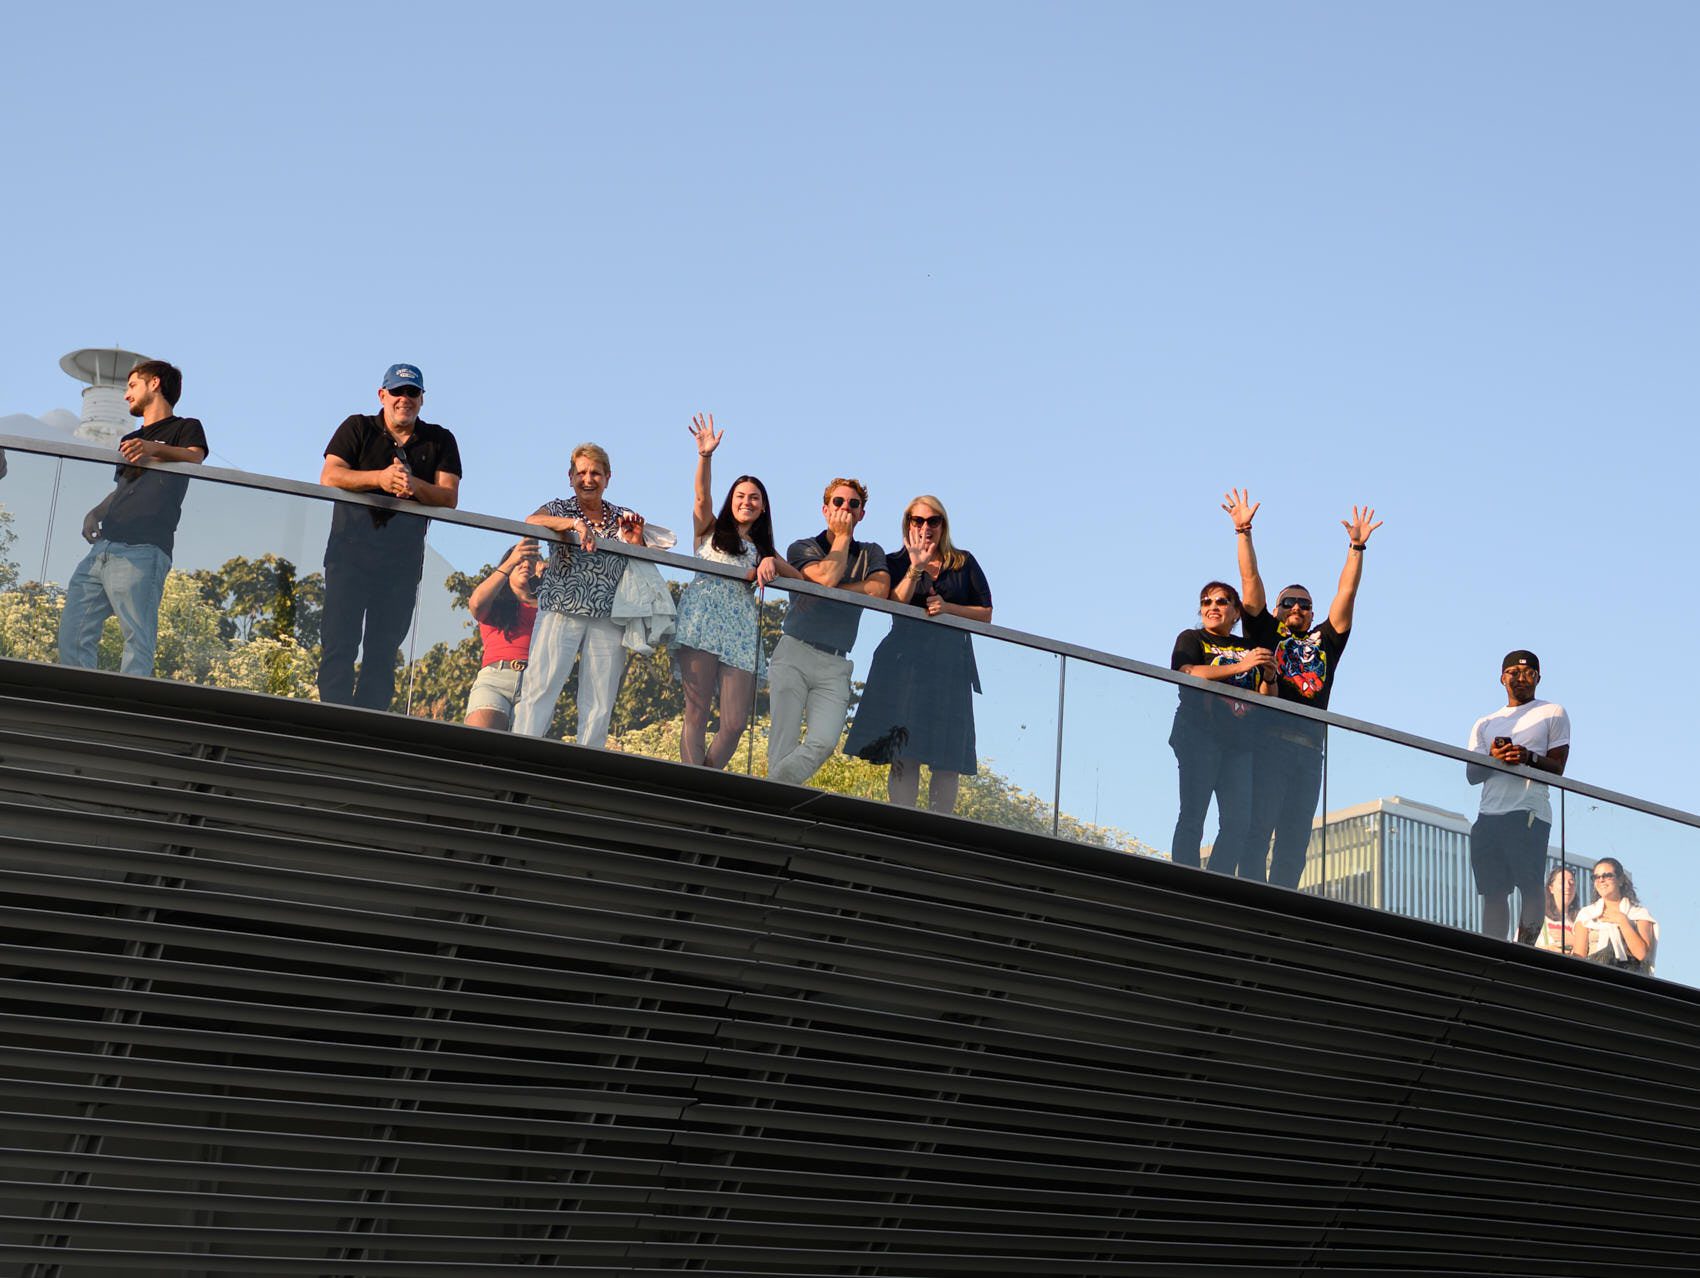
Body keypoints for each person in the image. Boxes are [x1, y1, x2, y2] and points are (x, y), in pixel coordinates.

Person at [1226, 489, 1381, 888]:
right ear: (1277, 610)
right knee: (1258, 829)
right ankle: (1252, 899)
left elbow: (1347, 594)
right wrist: (1243, 531)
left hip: (1310, 751)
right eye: (1289, 602)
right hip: (1269, 743)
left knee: (1296, 838)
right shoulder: (1265, 629)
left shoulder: (1326, 639)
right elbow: (1250, 581)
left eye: (1305, 605)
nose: (1297, 609)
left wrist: (1357, 547)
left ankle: (1282, 904)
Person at [317, 363, 462, 709]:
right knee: (339, 641)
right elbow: (330, 475)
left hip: (401, 563)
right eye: (397, 392)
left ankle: (368, 726)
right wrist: (379, 479)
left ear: (422, 399)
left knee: (383, 650)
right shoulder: (358, 427)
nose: (404, 399)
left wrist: (414, 486)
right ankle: (330, 720)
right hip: (349, 555)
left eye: (412, 393)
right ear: (382, 395)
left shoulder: (440, 439)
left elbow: (449, 497)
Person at [843, 496, 993, 814]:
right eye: (917, 520)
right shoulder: (894, 560)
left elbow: (986, 613)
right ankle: (902, 823)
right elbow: (891, 603)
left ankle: (937, 829)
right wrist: (916, 568)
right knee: (903, 752)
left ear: (943, 525)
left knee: (948, 757)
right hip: (903, 667)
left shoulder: (963, 562)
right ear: (908, 524)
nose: (925, 527)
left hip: (950, 669)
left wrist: (948, 609)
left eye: (933, 520)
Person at [58, 359, 208, 676]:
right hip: (104, 547)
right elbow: (124, 488)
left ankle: (125, 712)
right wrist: (95, 512)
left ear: (154, 383)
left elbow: (195, 458)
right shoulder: (128, 440)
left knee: (137, 640)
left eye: (132, 385)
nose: (126, 394)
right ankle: (81, 702)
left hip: (144, 550)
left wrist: (153, 448)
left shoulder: (185, 427)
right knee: (73, 629)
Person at [673, 413, 798, 768]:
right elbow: (701, 497)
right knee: (696, 712)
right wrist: (705, 456)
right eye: (741, 495)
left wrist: (769, 565)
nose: (747, 501)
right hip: (702, 620)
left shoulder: (764, 550)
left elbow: (805, 583)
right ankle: (692, 786)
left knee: (734, 723)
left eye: (755, 497)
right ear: (731, 500)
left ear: (763, 507)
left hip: (742, 631)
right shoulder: (708, 529)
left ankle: (705, 784)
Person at [511, 443, 646, 747]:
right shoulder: (561, 508)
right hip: (561, 608)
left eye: (595, 473)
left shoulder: (620, 516)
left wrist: (636, 542)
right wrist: (575, 525)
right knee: (540, 688)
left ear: (608, 477)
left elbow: (637, 563)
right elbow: (532, 521)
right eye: (581, 472)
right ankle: (521, 755)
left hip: (607, 616)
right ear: (570, 476)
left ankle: (586, 767)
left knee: (600, 700)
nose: (588, 479)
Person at [766, 477, 890, 786]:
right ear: (825, 509)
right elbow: (825, 577)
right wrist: (842, 541)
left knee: (823, 742)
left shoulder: (871, 552)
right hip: (795, 650)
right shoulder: (804, 546)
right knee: (783, 741)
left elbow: (879, 590)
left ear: (862, 513)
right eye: (838, 502)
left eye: (853, 504)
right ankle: (773, 806)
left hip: (836, 662)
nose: (845, 508)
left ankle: (770, 788)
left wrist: (833, 588)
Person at [1168, 582, 1276, 876]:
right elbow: (1188, 673)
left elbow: (1267, 701)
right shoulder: (1191, 638)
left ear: (1236, 612)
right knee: (1193, 814)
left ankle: (1217, 881)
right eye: (1206, 602)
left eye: (1221, 601)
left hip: (1241, 744)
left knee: (1238, 823)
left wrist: (1268, 675)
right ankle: (1184, 880)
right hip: (1199, 735)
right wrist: (1241, 667)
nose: (1212, 607)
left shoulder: (1248, 648)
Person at [1465, 650, 1571, 944]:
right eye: (1513, 672)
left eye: (1528, 673)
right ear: (1501, 678)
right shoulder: (1485, 723)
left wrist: (1527, 758)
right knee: (1493, 892)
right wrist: (1495, 758)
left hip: (1528, 811)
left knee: (1530, 884)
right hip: (1488, 815)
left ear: (1538, 678)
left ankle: (1524, 949)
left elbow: (1558, 767)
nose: (1520, 678)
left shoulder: (1552, 712)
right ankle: (1493, 951)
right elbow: (1472, 775)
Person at [464, 538, 544, 731]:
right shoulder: (496, 603)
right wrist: (510, 561)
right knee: (481, 746)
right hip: (495, 678)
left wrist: (551, 573)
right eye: (520, 560)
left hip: (535, 684)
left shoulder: (547, 606)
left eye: (531, 560)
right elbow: (475, 604)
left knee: (521, 757)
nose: (525, 564)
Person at [1576, 858, 1658, 972]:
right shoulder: (1587, 914)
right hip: (1594, 975)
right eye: (1596, 877)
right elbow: (1579, 955)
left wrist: (1623, 921)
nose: (1601, 880)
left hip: (1627, 979)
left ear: (1620, 880)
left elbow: (1642, 955)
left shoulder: (1638, 914)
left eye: (1607, 875)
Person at [1534, 866, 1581, 955]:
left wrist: (1574, 941)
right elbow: (1519, 949)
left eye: (1571, 882)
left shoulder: (1583, 920)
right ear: (1551, 888)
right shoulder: (1536, 917)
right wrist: (1548, 949)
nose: (1567, 886)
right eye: (1562, 882)